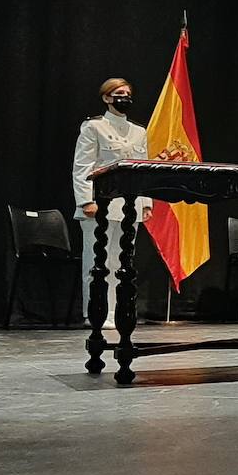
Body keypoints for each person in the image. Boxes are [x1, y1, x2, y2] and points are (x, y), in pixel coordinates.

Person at [72, 78, 152, 329]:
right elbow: (82, 167)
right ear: (107, 97)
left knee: (122, 263)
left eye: (128, 93)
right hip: (101, 204)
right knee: (97, 262)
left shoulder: (139, 131)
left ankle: (116, 311)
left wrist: (146, 203)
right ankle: (94, 312)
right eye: (119, 93)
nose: (124, 97)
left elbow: (143, 168)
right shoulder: (94, 126)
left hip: (130, 207)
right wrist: (86, 200)